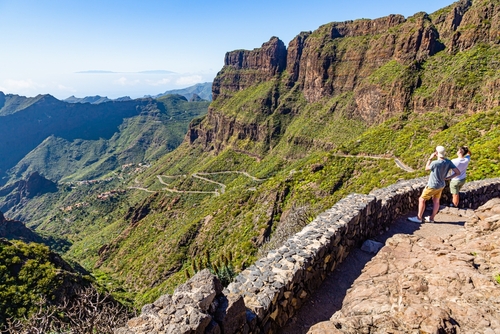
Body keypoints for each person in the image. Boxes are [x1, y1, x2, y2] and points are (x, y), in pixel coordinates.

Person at [408, 146, 460, 223]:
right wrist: (448, 177)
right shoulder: (448, 162)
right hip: (441, 185)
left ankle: (419, 218)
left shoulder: (435, 163)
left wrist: (430, 158)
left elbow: (426, 168)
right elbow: (458, 172)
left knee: (421, 199)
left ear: (436, 153)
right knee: (436, 201)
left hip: (432, 185)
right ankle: (431, 218)